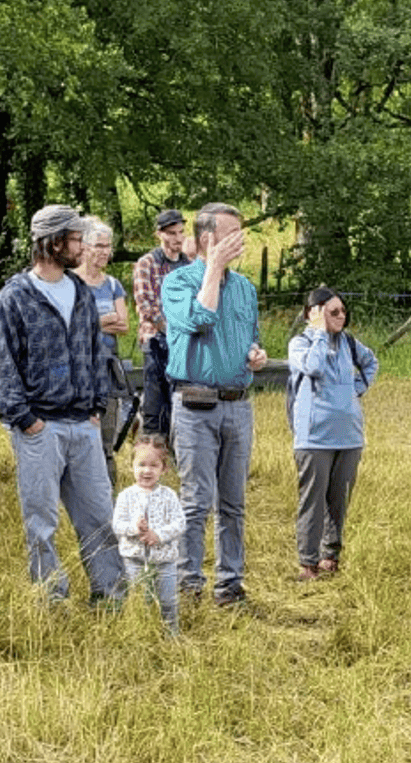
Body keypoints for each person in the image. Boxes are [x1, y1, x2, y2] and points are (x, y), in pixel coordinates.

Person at [0, 204, 125, 606]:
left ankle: (112, 597)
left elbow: (96, 352)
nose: (82, 246)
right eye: (76, 238)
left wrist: (97, 406)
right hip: (39, 427)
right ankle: (53, 601)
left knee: (100, 517)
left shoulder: (82, 293)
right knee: (42, 524)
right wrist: (25, 419)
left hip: (84, 424)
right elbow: (2, 364)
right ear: (52, 242)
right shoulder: (15, 297)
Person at [161, 202, 268, 606]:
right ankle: (189, 585)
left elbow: (251, 335)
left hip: (238, 405)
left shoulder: (245, 288)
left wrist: (255, 353)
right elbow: (199, 319)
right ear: (208, 238)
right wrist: (212, 268)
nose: (239, 239)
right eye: (231, 233)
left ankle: (230, 585)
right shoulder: (177, 283)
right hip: (195, 405)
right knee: (195, 500)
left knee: (233, 502)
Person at [288, 287, 379, 582]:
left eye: (343, 311)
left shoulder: (349, 343)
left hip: (349, 436)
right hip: (314, 436)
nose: (341, 317)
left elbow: (371, 362)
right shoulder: (301, 343)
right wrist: (317, 333)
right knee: (312, 501)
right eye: (333, 312)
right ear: (313, 314)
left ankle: (331, 555)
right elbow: (312, 367)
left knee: (338, 500)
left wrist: (356, 391)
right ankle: (307, 562)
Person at [73, 217, 131, 485]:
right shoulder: (70, 283)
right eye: (99, 245)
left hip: (107, 371)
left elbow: (124, 324)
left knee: (107, 442)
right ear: (84, 247)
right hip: (76, 372)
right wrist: (102, 320)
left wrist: (91, 322)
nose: (106, 251)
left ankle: (109, 504)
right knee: (79, 441)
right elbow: (66, 329)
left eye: (108, 246)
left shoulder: (113, 284)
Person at [110, 434, 186, 635]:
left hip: (164, 562)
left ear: (164, 468)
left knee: (168, 601)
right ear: (131, 466)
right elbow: (117, 525)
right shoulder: (126, 496)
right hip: (134, 560)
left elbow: (180, 523)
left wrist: (158, 535)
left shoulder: (169, 495)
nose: (147, 470)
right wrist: (135, 528)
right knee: (138, 598)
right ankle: (140, 632)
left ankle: (171, 634)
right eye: (141, 464)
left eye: (154, 465)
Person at [132, 209, 191, 443]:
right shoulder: (147, 263)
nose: (178, 238)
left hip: (184, 342)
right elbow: (146, 305)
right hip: (156, 340)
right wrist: (172, 329)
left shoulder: (189, 265)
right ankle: (152, 450)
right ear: (159, 234)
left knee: (181, 403)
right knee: (155, 405)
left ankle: (177, 453)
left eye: (181, 233)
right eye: (172, 233)